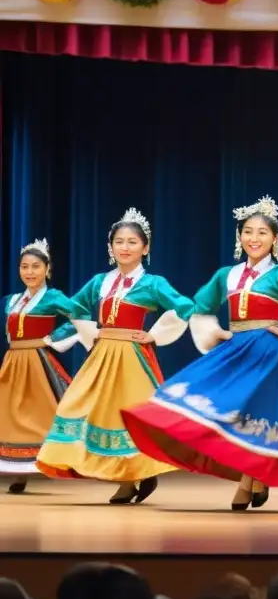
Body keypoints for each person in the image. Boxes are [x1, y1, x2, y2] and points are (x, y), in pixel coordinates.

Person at [121, 196, 278, 510]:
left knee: (258, 416)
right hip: (238, 349)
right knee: (228, 410)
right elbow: (200, 307)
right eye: (248, 232)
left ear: (275, 239)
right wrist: (219, 332)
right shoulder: (228, 275)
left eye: (263, 233)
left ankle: (250, 481)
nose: (255, 238)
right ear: (239, 237)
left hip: (269, 353)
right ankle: (252, 480)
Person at [36, 209, 194, 504]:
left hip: (132, 356)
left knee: (128, 415)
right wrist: (69, 335)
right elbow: (75, 309)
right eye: (119, 241)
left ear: (145, 248)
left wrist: (155, 335)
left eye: (132, 242)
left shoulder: (153, 283)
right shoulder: (100, 282)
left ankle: (135, 476)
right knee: (76, 405)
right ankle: (127, 476)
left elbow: (184, 306)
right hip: (102, 354)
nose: (125, 247)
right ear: (111, 248)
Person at [1, 239, 81, 493]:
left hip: (38, 362)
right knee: (11, 414)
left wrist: (52, 338)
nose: (30, 272)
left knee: (42, 412)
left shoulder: (53, 297)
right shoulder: (11, 300)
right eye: (24, 267)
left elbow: (82, 316)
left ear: (47, 269)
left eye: (36, 266)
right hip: (13, 362)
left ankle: (75, 461)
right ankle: (19, 470)